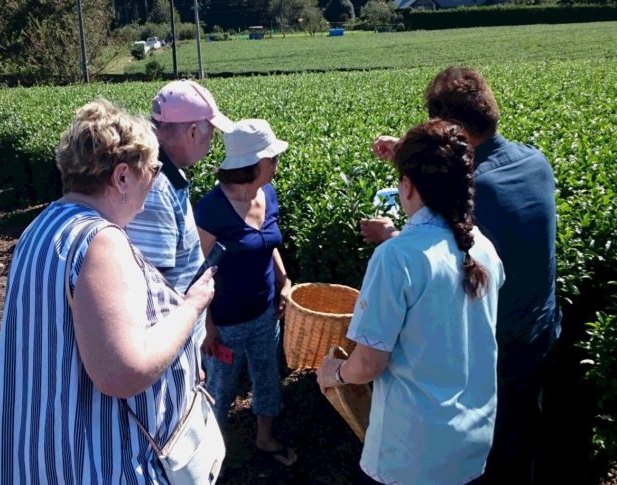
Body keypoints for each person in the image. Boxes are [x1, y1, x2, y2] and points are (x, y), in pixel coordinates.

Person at [0, 99, 216, 483]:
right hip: (95, 463)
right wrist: (192, 307)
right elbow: (123, 373)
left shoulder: (41, 226)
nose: (157, 178)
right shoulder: (101, 242)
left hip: (43, 452)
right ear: (123, 177)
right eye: (154, 169)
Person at [363, 66, 562, 483]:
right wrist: (406, 150)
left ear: (449, 127)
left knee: (491, 461)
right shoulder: (535, 162)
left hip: (494, 348)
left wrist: (391, 235)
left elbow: (443, 246)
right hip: (540, 334)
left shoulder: (478, 191)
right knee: (520, 448)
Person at [318, 119, 505, 484]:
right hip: (473, 438)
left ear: (406, 186)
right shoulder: (483, 248)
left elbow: (368, 364)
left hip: (412, 451)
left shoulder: (396, 258)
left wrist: (333, 374)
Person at [194, 119, 296, 466]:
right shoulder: (211, 209)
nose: (277, 163)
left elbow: (268, 243)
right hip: (225, 323)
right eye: (273, 158)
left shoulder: (267, 193)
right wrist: (207, 325)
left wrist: (284, 282)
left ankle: (265, 439)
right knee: (219, 393)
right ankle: (209, 460)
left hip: (266, 313)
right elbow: (196, 274)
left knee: (268, 379)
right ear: (255, 164)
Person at [126, 79, 233, 345]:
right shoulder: (156, 189)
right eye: (211, 133)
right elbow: (152, 295)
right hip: (169, 347)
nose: (212, 141)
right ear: (194, 132)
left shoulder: (167, 174)